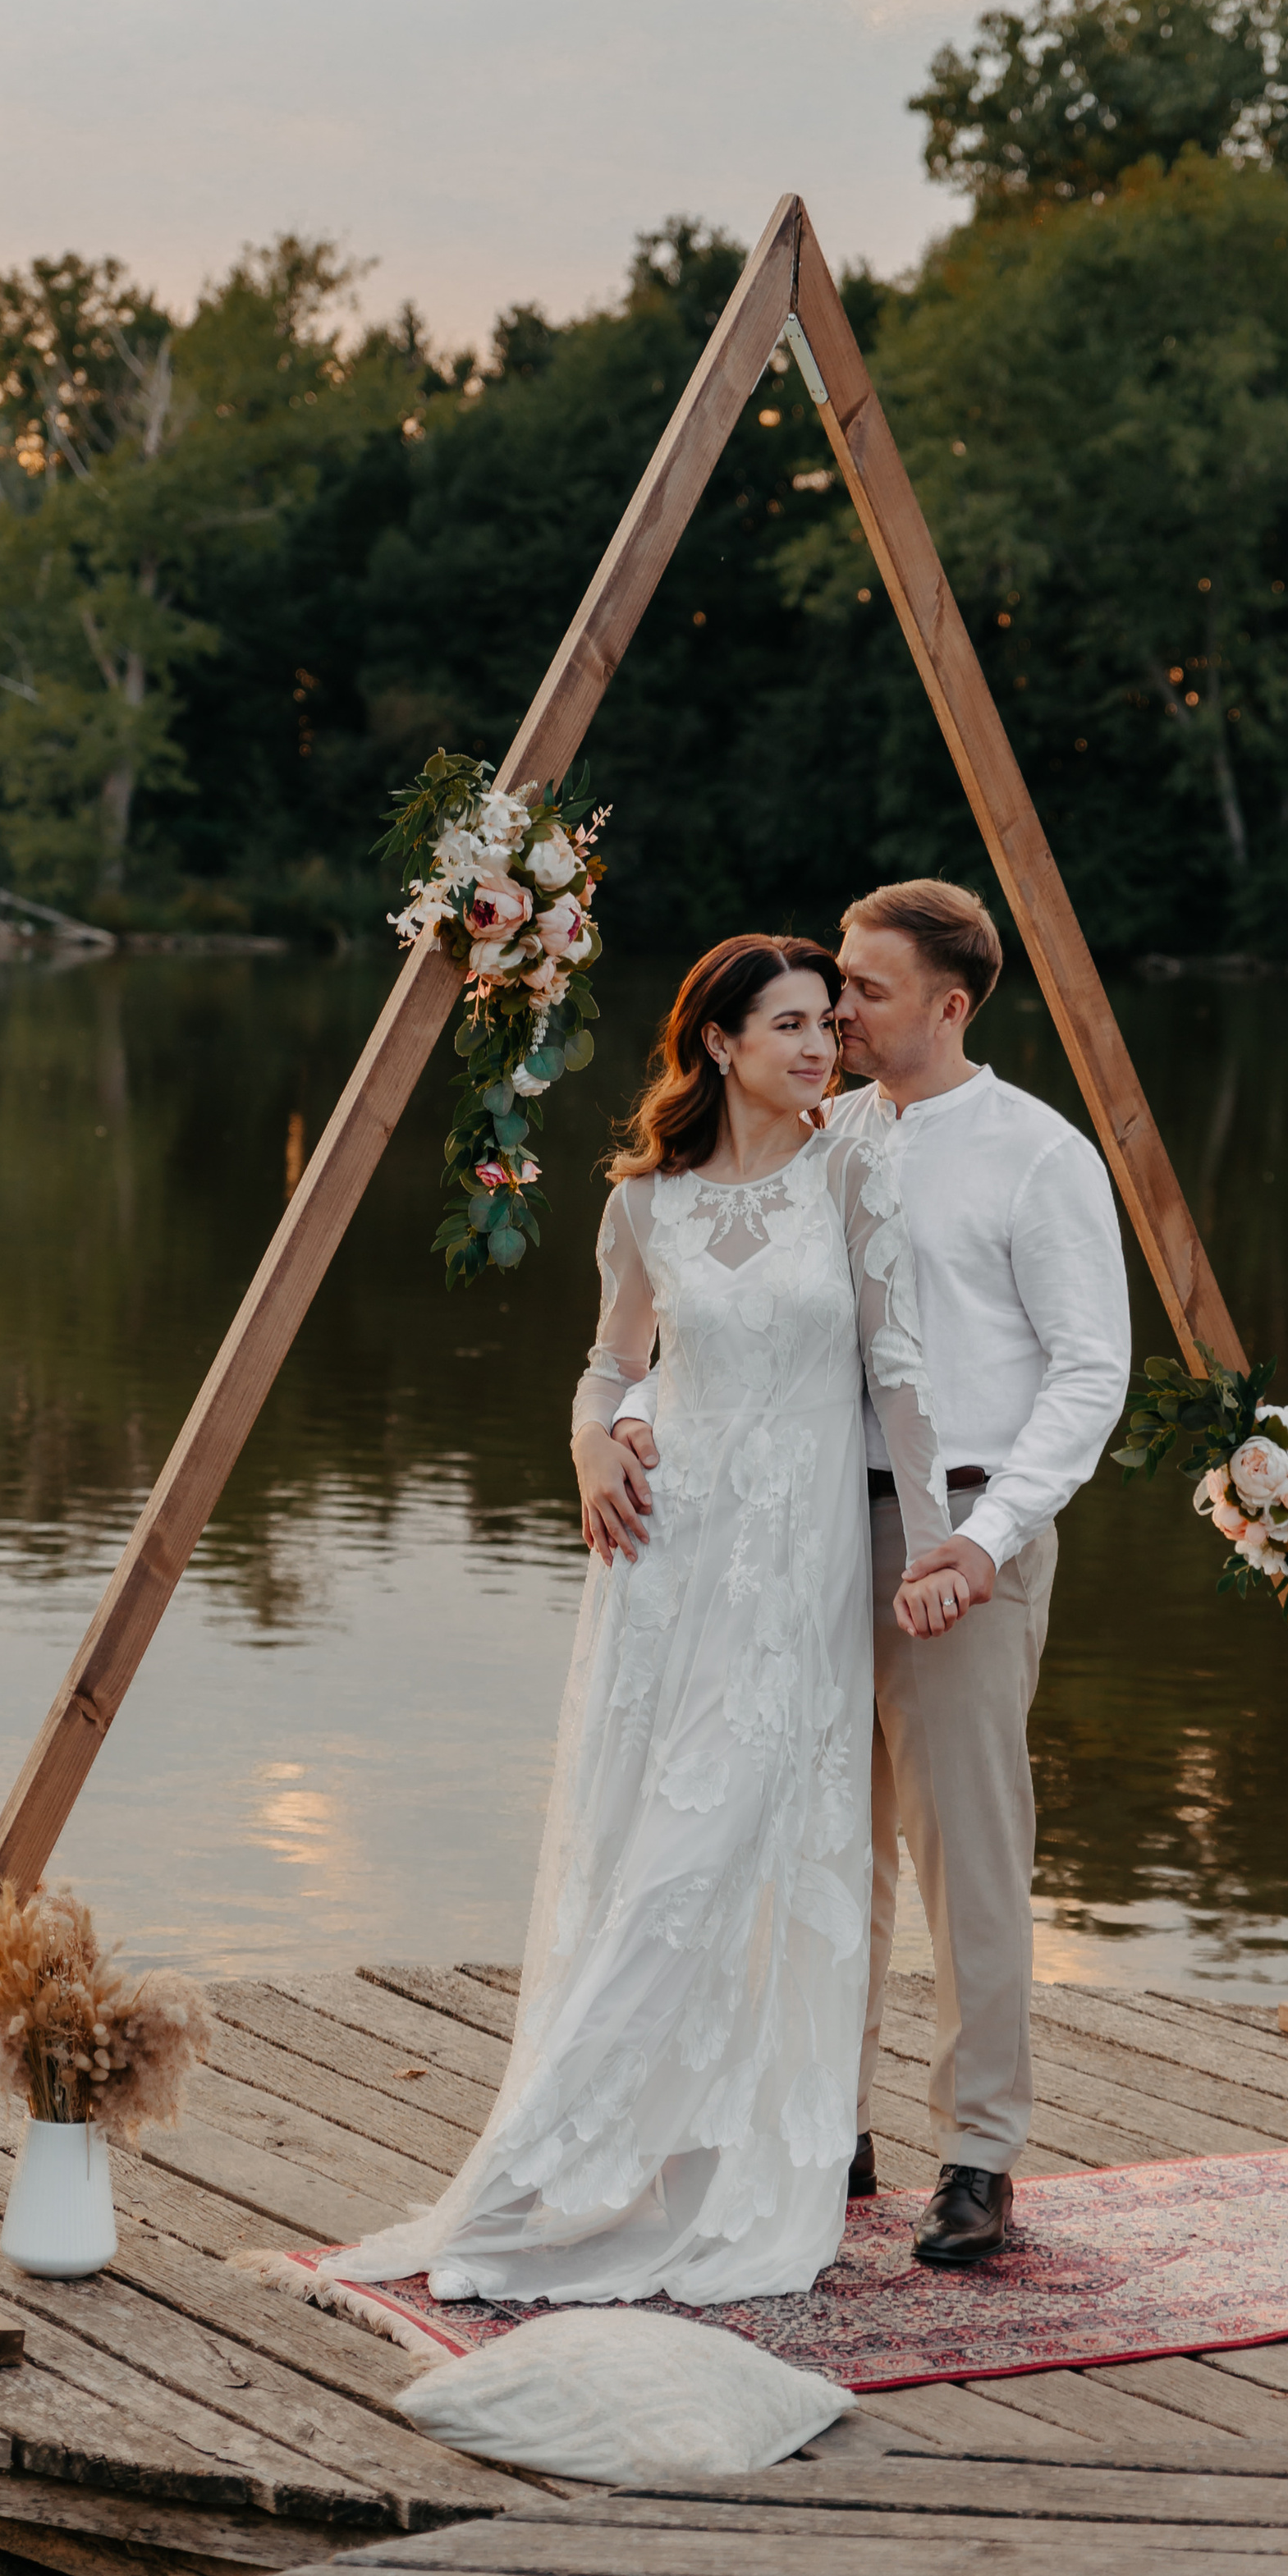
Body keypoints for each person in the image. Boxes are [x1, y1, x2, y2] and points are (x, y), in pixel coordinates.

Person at [321, 934, 958, 2312]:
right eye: (786, 1025)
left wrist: (943, 1536)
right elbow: (616, 1361)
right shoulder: (646, 1204)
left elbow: (899, 1375)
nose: (816, 1047)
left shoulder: (856, 1173)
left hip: (800, 1571)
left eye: (823, 1027)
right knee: (652, 1854)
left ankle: (681, 2154)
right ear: (718, 1043)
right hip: (667, 1563)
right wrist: (591, 1441)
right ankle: (577, 2156)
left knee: (739, 1851)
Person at [592, 882, 1130, 2264]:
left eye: (868, 990)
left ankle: (979, 2154)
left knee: (967, 1846)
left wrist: (986, 1539)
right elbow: (730, 1338)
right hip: (810, 1530)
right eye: (832, 987)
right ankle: (828, 2121)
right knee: (824, 1834)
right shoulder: (818, 1137)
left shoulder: (1036, 1155)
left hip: (963, 1528)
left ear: (951, 1006)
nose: (838, 1010)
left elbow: (1090, 1375)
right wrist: (631, 1428)